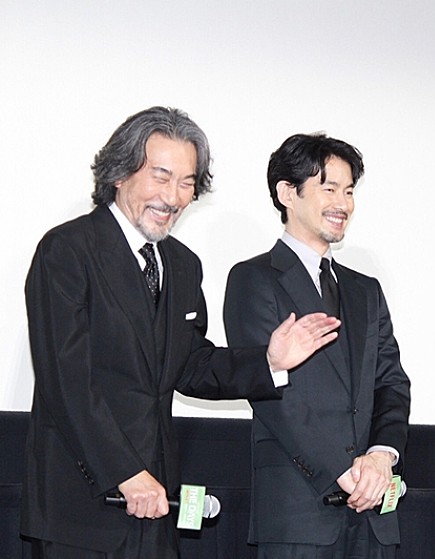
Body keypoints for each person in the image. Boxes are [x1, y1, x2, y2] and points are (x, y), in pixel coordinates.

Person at [21, 107, 339, 559]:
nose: (173, 197)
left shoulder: (182, 264)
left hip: (156, 503)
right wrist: (126, 473)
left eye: (187, 182)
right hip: (81, 510)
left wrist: (268, 362)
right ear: (119, 173)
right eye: (161, 176)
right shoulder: (68, 249)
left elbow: (191, 365)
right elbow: (67, 380)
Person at [223, 133, 411, 559]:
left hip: (374, 508)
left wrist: (381, 456)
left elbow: (391, 383)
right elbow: (270, 392)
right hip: (298, 511)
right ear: (287, 193)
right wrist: (340, 469)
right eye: (329, 189)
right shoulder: (254, 278)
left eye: (349, 191)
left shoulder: (366, 290)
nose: (342, 203)